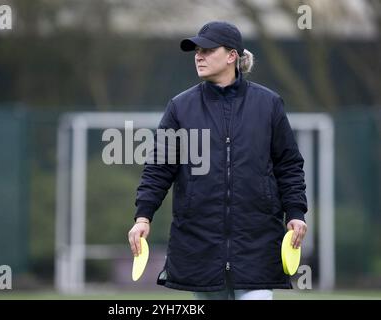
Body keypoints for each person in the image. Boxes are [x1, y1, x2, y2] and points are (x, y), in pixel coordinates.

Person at [127, 21, 307, 300]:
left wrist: (296, 213)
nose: (199, 56)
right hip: (199, 246)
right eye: (197, 50)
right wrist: (143, 217)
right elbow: (159, 168)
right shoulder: (180, 107)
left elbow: (288, 165)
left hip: (257, 244)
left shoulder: (268, 104)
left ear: (232, 56)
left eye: (208, 50)